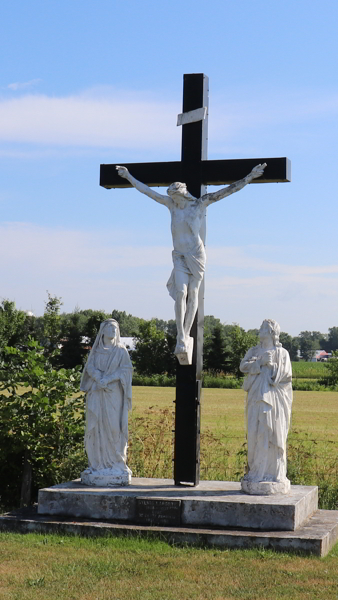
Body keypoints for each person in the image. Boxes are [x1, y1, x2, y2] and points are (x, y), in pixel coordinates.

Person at [116, 163, 266, 359]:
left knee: (193, 293)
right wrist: (129, 177)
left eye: (176, 198)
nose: (174, 201)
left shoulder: (199, 204)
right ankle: (180, 335)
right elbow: (148, 192)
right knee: (181, 293)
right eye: (172, 199)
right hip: (179, 255)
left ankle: (185, 333)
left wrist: (250, 176)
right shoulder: (171, 205)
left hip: (196, 254)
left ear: (183, 194)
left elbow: (227, 191)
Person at [239, 319, 293, 494]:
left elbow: (286, 376)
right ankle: (256, 472)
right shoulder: (254, 351)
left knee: (272, 432)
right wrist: (259, 363)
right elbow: (243, 366)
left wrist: (272, 366)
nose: (260, 330)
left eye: (264, 328)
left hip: (274, 401)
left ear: (272, 333)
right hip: (256, 397)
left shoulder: (282, 353)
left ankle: (273, 473)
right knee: (255, 432)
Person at [80, 318, 133, 486]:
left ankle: (116, 462)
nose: (113, 331)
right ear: (102, 331)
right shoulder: (96, 351)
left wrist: (108, 379)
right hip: (97, 393)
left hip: (113, 394)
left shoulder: (121, 351)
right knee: (96, 428)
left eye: (115, 329)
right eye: (110, 328)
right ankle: (98, 464)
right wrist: (98, 378)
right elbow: (89, 367)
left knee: (113, 427)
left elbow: (126, 370)